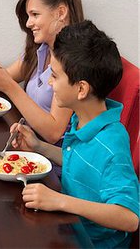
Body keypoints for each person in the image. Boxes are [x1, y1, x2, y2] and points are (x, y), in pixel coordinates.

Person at [10, 20, 139, 248]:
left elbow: (129, 218)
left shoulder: (111, 145)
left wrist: (59, 201)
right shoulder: (84, 118)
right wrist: (40, 148)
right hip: (69, 228)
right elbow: (82, 162)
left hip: (91, 242)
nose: (49, 83)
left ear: (81, 89)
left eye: (55, 76)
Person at [0, 0, 84, 144]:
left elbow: (54, 132)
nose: (28, 23)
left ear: (61, 12)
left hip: (53, 153)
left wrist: (10, 87)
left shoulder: (75, 60)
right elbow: (5, 78)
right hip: (27, 139)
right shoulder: (40, 49)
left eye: (35, 14)